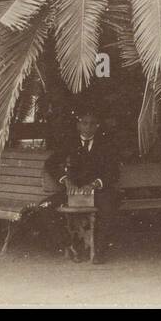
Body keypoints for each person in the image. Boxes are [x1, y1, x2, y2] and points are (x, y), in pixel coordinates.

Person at [44, 110, 120, 262]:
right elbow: (51, 164)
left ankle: (99, 252)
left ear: (97, 127)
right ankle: (70, 246)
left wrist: (95, 184)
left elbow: (114, 172)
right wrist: (65, 180)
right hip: (74, 191)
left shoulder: (106, 145)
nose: (88, 127)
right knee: (45, 207)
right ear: (78, 125)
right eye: (84, 123)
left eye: (92, 124)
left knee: (109, 208)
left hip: (97, 192)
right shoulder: (69, 143)